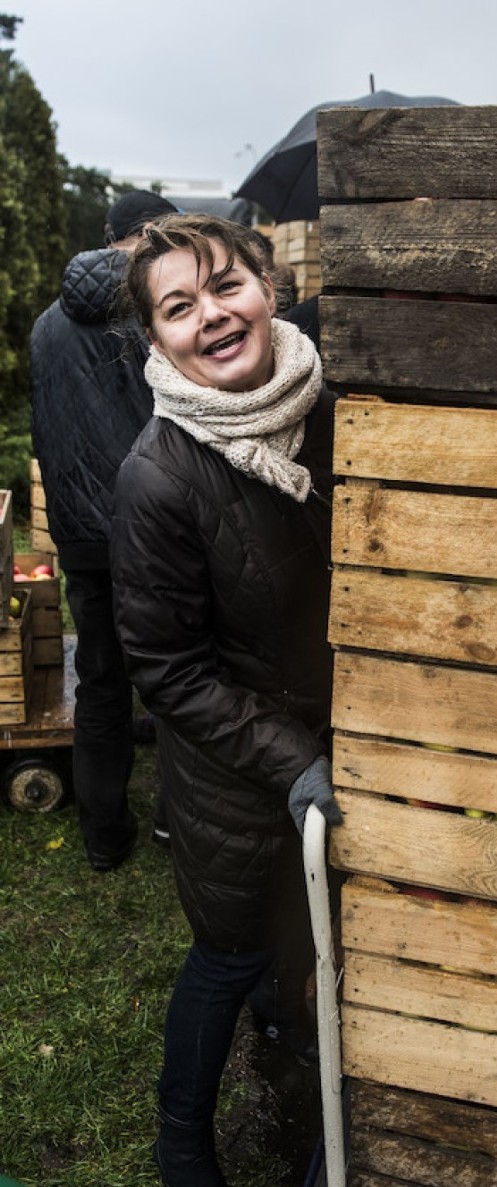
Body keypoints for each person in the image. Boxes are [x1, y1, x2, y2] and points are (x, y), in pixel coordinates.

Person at [109, 213, 343, 1187]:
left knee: (316, 938)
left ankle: (298, 1052)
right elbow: (167, 670)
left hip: (345, 742)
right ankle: (183, 1146)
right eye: (179, 306)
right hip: (237, 776)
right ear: (157, 341)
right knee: (228, 955)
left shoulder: (335, 408)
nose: (212, 316)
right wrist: (295, 761)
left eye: (224, 286)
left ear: (270, 285)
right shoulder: (159, 477)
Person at [29, 189, 176, 870]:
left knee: (100, 680)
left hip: (81, 537)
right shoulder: (150, 319)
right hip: (152, 525)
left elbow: (48, 435)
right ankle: (178, 824)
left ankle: (105, 840)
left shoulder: (42, 328)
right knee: (179, 676)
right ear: (141, 234)